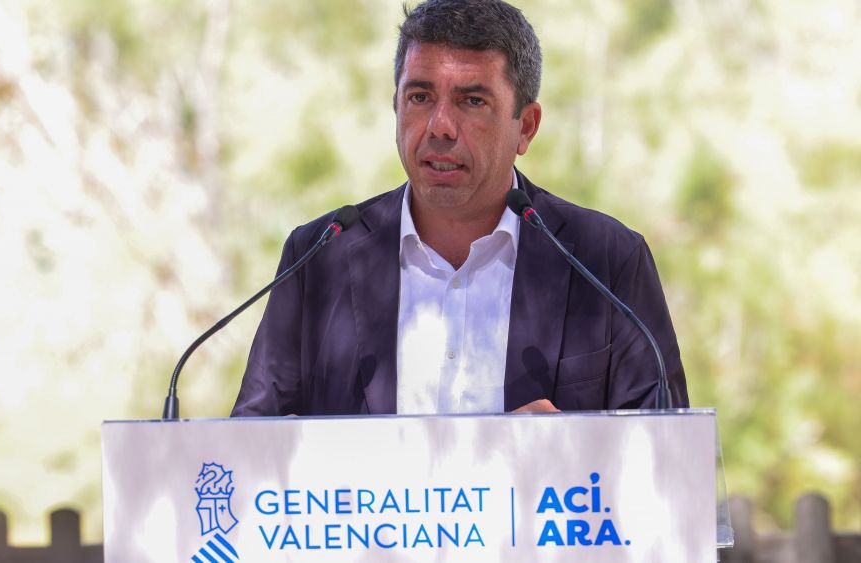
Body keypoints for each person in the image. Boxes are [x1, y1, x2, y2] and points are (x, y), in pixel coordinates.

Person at [231, 0, 688, 416]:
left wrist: (564, 455)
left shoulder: (605, 262)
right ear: (396, 108)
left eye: (472, 101)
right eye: (420, 97)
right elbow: (249, 448)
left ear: (525, 127)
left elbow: (665, 465)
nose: (441, 126)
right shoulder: (320, 257)